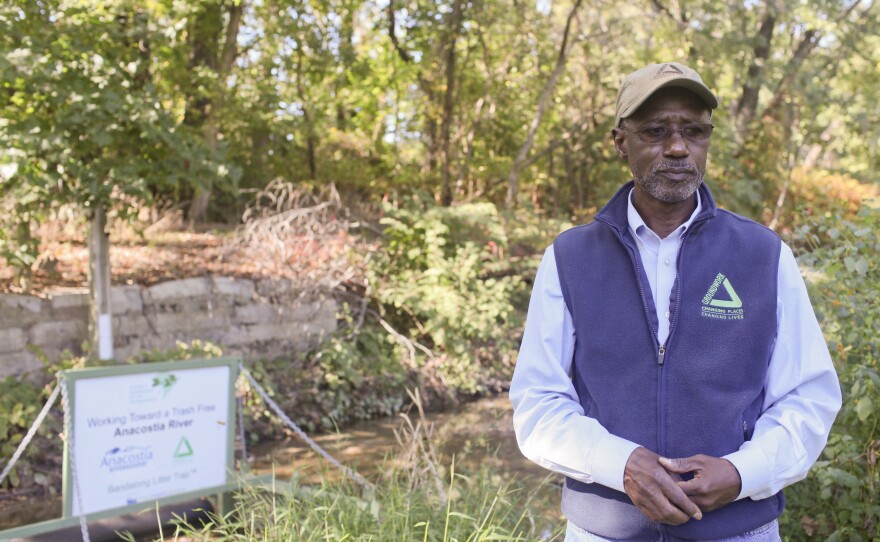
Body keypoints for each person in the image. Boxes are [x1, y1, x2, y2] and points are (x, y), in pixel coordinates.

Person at [509, 61, 842, 542]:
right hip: (603, 533)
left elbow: (808, 398)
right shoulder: (569, 257)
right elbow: (538, 403)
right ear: (620, 141)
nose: (678, 147)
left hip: (738, 532)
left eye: (694, 131)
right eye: (655, 131)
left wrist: (742, 473)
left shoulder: (764, 255)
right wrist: (620, 464)